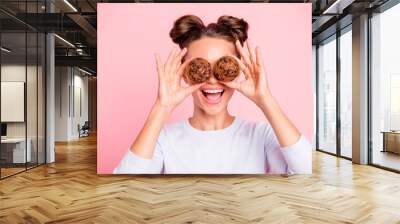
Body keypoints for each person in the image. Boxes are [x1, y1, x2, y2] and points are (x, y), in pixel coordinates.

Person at [114, 15, 312, 174]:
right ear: (183, 72)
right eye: (200, 66)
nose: (211, 80)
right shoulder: (161, 139)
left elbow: (308, 171)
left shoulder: (262, 135)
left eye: (222, 65)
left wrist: (266, 100)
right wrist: (161, 107)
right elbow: (123, 193)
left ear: (240, 70)